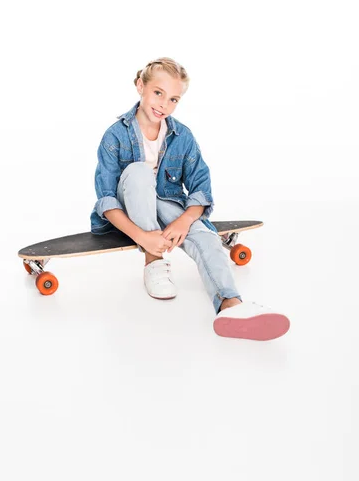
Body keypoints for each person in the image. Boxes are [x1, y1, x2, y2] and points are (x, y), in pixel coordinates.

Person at [90, 57, 290, 341]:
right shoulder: (115, 136)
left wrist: (185, 221)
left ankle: (231, 305)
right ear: (140, 86)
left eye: (173, 99)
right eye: (158, 93)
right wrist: (144, 238)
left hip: (168, 205)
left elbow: (200, 189)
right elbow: (107, 200)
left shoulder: (182, 136)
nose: (164, 105)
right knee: (138, 173)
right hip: (129, 210)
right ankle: (153, 262)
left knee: (205, 236)